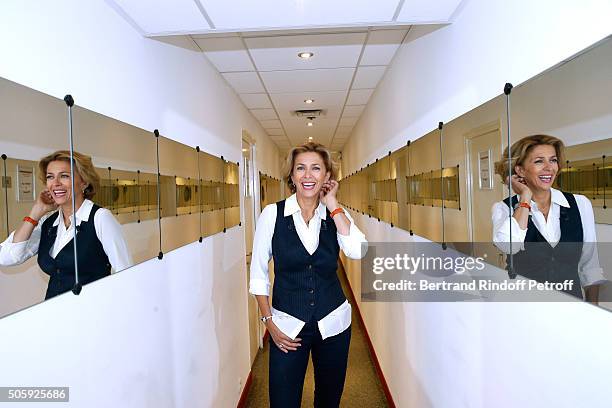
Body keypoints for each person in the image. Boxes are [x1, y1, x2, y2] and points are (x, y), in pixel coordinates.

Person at [249, 142, 367, 407]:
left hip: (333, 323)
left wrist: (333, 204)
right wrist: (268, 321)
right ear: (291, 176)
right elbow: (258, 273)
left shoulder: (336, 214)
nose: (307, 175)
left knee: (328, 400)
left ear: (327, 176)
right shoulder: (272, 214)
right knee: (283, 400)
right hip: (287, 326)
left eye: (316, 168)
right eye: (300, 168)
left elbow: (358, 250)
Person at [0, 150, 132, 299]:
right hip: (54, 311)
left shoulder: (100, 218)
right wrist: (36, 212)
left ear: (84, 182)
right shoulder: (48, 223)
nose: (55, 183)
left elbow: (125, 273)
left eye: (64, 176)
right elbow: (7, 257)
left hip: (92, 312)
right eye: (50, 177)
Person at [491, 135, 605, 302]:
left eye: (553, 160)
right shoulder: (503, 208)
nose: (549, 168)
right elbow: (510, 246)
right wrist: (525, 197)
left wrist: (592, 308)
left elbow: (590, 265)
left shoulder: (580, 204)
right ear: (520, 170)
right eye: (538, 161)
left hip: (570, 306)